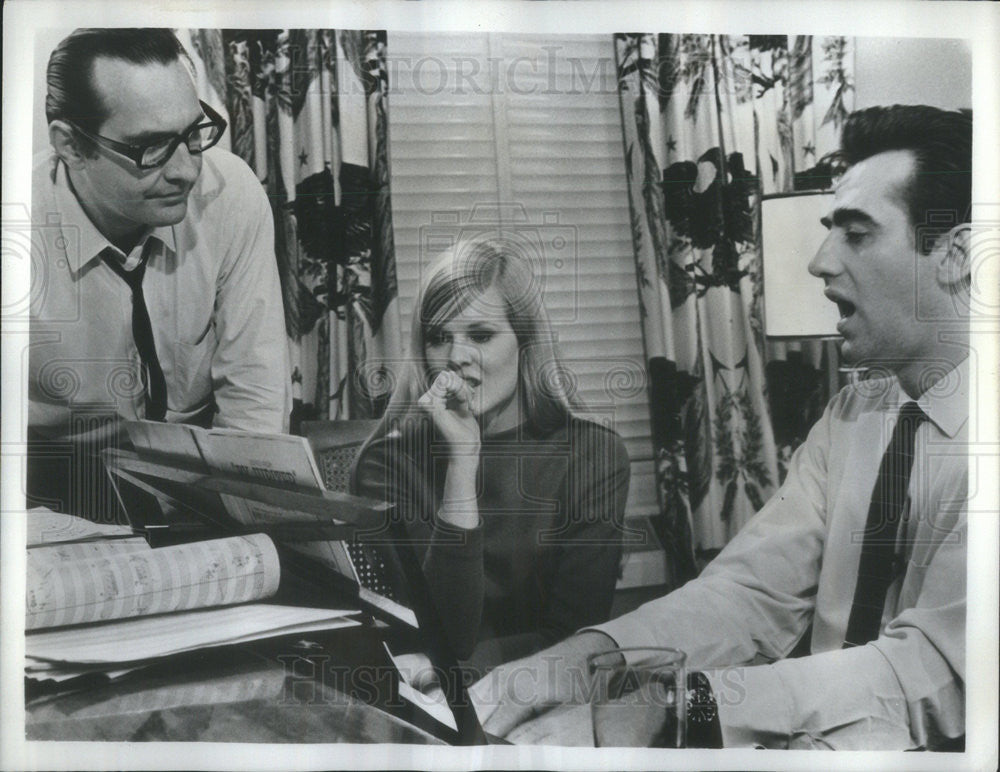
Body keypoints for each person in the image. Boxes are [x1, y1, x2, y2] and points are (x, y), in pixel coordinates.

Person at [471, 104, 972, 750]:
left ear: (957, 254)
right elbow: (747, 592)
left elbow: (929, 673)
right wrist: (572, 663)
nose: (819, 262)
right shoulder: (851, 417)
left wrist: (684, 706)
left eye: (857, 233)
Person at [28, 28, 291, 519]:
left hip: (206, 482)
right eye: (150, 147)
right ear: (71, 145)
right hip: (54, 493)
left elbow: (254, 406)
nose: (187, 172)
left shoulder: (229, 194)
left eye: (193, 135)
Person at [350, 238, 630, 676]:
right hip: (429, 702)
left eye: (480, 335)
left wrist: (475, 672)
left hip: (546, 693)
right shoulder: (388, 464)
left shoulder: (593, 454)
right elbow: (447, 637)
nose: (456, 358)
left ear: (526, 343)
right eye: (439, 338)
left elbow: (576, 636)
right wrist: (462, 466)